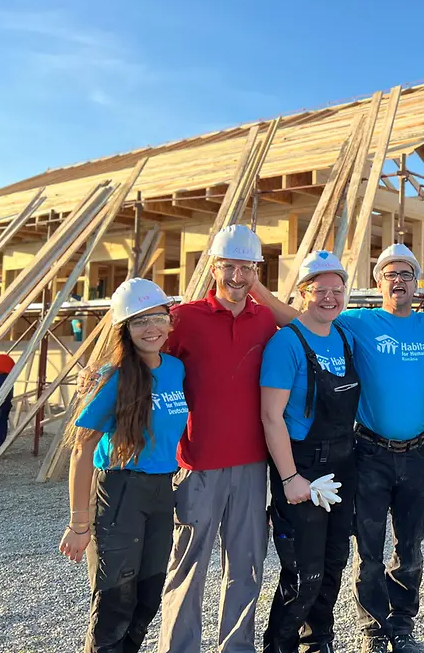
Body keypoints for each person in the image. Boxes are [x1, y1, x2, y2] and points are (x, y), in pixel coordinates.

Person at [80, 225, 276, 652]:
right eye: (230, 267)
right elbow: (138, 348)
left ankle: (236, 647)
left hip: (251, 461)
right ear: (214, 266)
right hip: (196, 462)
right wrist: (97, 374)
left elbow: (304, 328)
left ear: (257, 270)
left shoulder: (266, 318)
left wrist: (263, 292)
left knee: (246, 565)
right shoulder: (184, 317)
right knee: (188, 565)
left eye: (248, 268)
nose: (238, 277)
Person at [251, 243, 424, 653]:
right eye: (390, 274)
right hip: (363, 453)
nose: (399, 281)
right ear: (378, 282)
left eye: (406, 273)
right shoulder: (355, 324)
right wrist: (255, 286)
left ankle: (387, 626)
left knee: (394, 548)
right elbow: (300, 322)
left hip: (403, 455)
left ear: (416, 282)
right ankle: (364, 628)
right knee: (349, 553)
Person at [59, 278, 187, 653]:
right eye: (138, 321)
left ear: (170, 321)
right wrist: (79, 523)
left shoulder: (176, 368)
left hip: (163, 491)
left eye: (158, 318)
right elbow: (82, 452)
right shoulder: (114, 378)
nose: (151, 328)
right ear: (125, 329)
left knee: (149, 595)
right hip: (120, 492)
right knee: (116, 601)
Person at [259, 251, 359, 653]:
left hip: (342, 466)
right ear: (303, 293)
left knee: (334, 563)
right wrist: (289, 479)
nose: (330, 298)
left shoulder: (346, 334)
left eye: (338, 290)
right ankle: (278, 646)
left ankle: (319, 640)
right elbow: (271, 417)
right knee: (303, 573)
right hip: (301, 466)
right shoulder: (286, 343)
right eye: (320, 290)